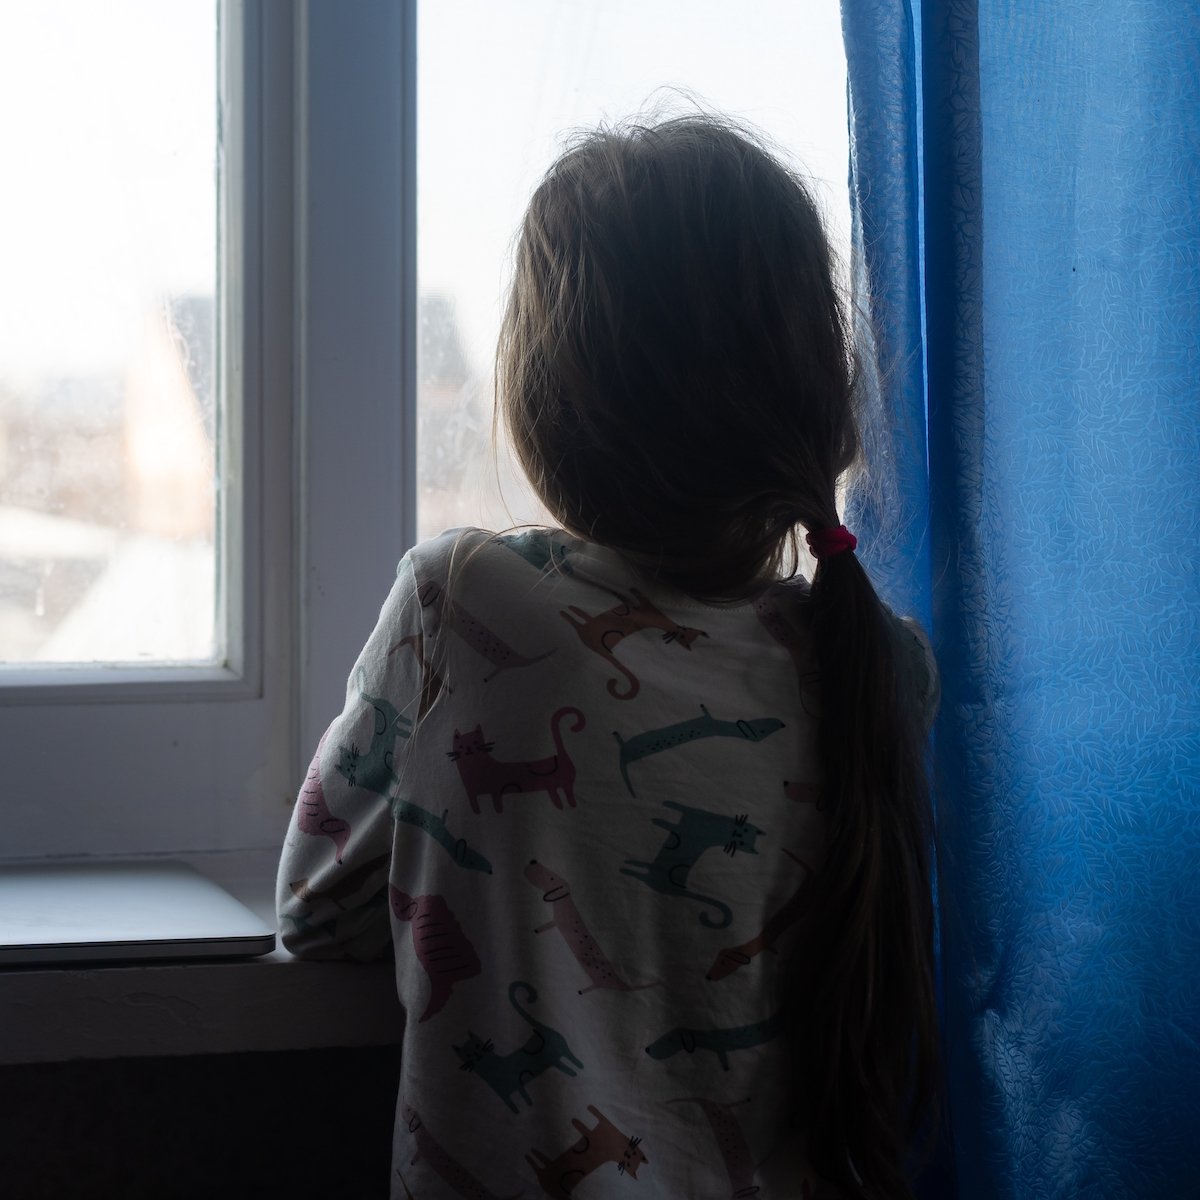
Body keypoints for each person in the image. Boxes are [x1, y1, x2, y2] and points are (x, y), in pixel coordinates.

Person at [277, 114, 940, 1200]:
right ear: (822, 393)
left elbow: (316, 911)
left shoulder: (469, 602)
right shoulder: (883, 665)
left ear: (555, 402)